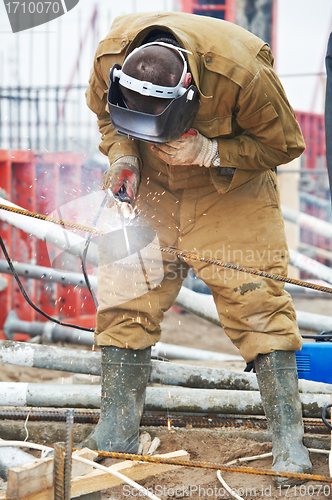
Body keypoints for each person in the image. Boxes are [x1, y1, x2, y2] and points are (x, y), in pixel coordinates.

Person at [79, 11, 312, 484]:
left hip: (230, 187)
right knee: (126, 294)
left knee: (257, 302)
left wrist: (212, 151)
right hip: (153, 183)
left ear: (186, 87)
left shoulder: (242, 73)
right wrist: (124, 156)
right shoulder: (111, 58)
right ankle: (115, 430)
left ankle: (289, 439)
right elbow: (108, 117)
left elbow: (286, 143)